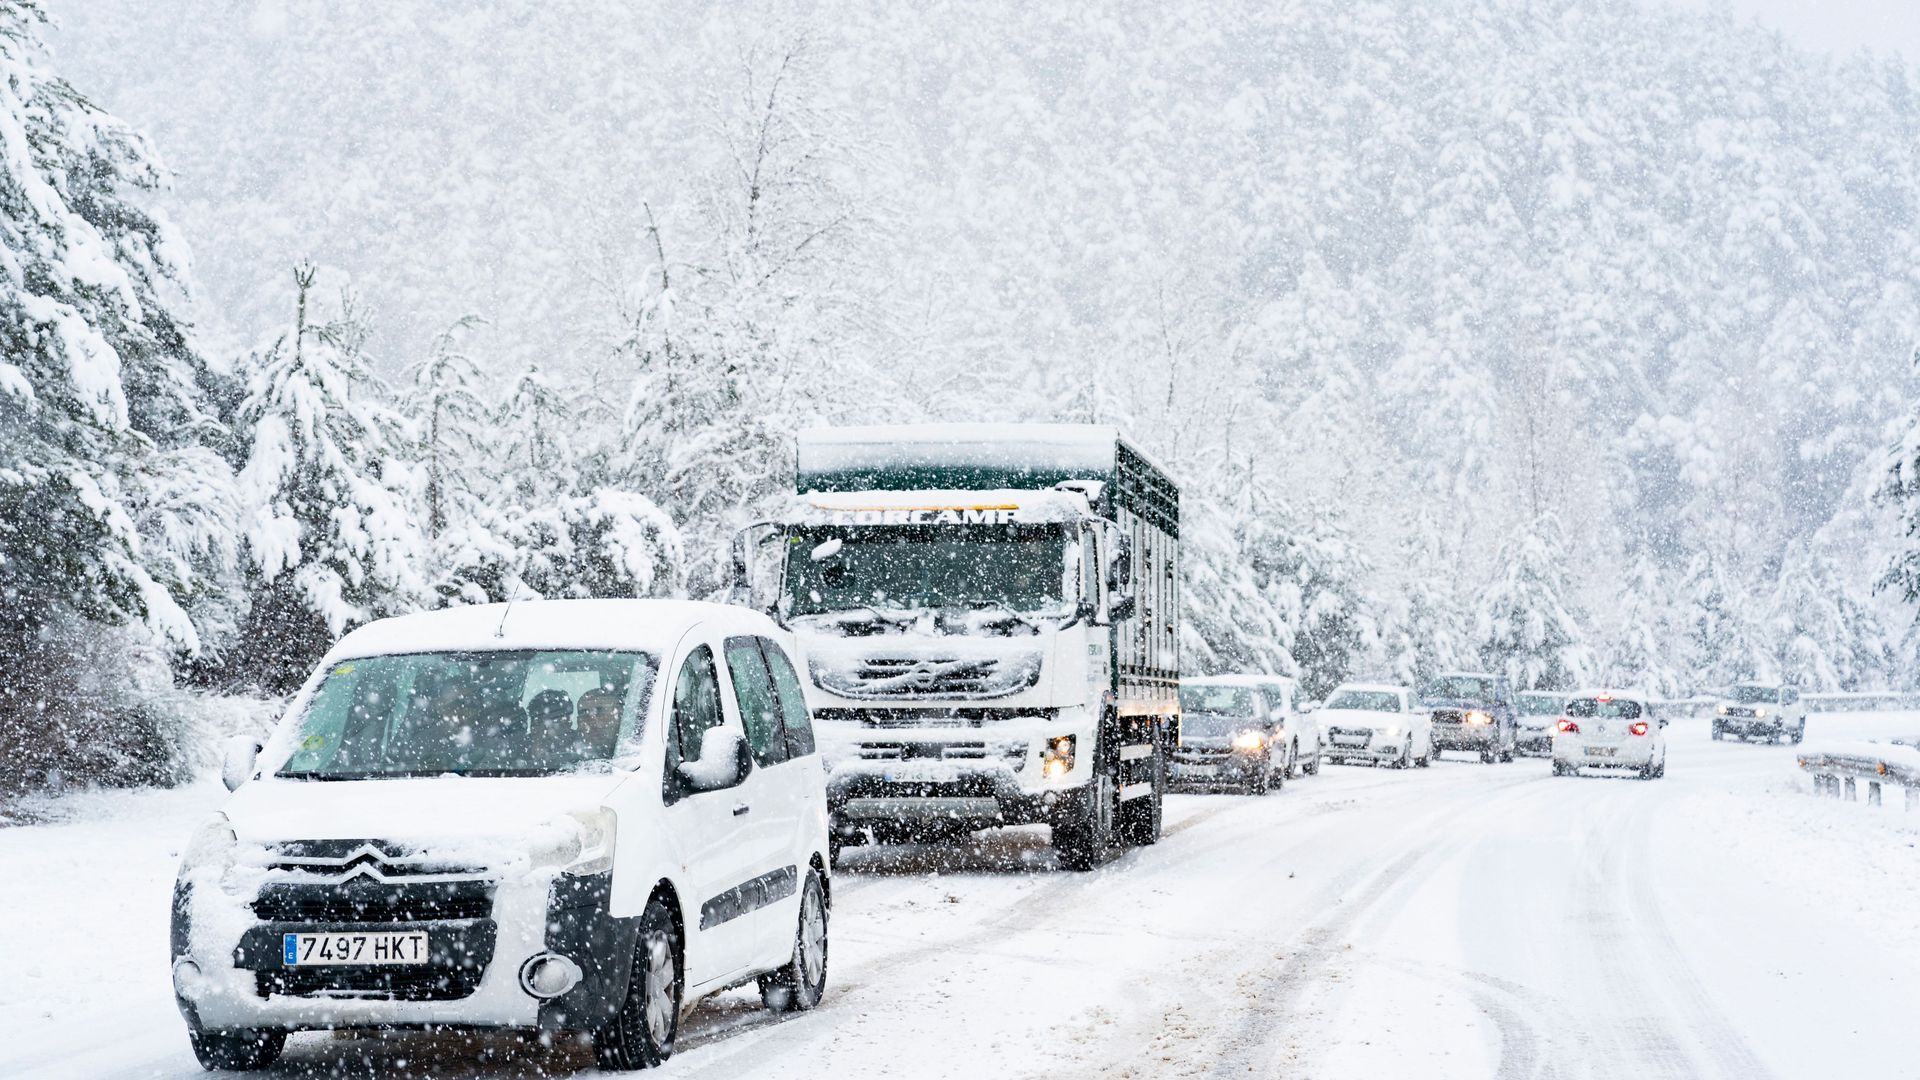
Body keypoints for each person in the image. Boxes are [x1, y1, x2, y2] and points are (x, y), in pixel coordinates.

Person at [575, 686, 624, 758]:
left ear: (619, 715)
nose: (591, 721)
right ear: (578, 722)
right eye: (584, 714)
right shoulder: (569, 758)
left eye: (599, 712)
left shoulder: (639, 750)